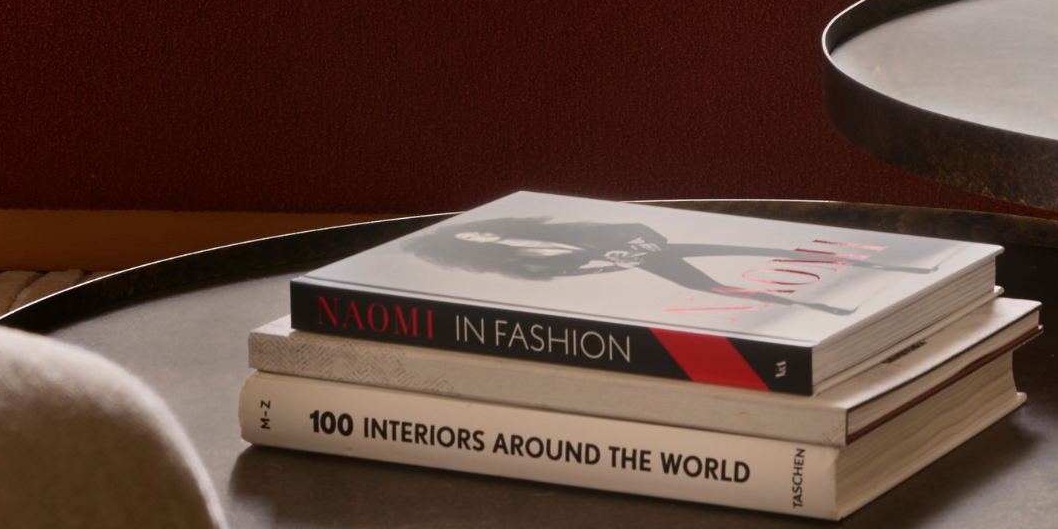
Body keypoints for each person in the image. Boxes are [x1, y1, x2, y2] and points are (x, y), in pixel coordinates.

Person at [402, 215, 943, 310]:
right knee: (713, 290)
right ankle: (819, 310)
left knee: (755, 251)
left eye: (481, 229)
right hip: (643, 261)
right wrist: (608, 267)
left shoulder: (551, 228)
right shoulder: (518, 256)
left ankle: (892, 269)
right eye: (474, 235)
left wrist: (637, 246)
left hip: (653, 249)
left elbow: (624, 230)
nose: (481, 233)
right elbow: (573, 267)